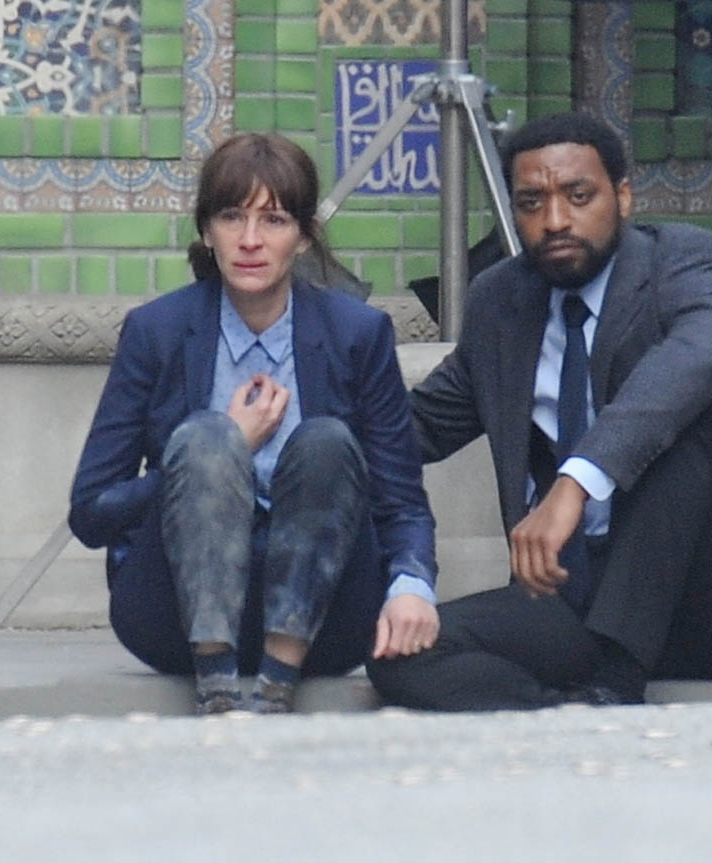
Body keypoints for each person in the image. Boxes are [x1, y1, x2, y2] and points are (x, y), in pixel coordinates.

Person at [367, 111, 712, 711]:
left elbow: (694, 361)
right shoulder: (501, 301)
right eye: (532, 202)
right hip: (585, 593)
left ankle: (616, 679)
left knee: (683, 434)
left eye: (578, 196)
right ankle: (570, 711)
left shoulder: (687, 263)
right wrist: (302, 437)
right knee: (401, 653)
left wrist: (577, 481)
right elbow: (416, 427)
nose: (555, 220)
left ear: (623, 196)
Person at [69, 133, 439, 714]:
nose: (249, 240)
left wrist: (413, 588)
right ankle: (215, 682)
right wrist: (215, 454)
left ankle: (278, 680)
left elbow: (403, 502)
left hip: (325, 616)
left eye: (273, 220)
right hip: (175, 616)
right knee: (209, 437)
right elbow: (91, 512)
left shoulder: (358, 333)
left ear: (304, 235)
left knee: (325, 441)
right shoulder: (156, 331)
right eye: (231, 217)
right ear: (206, 230)